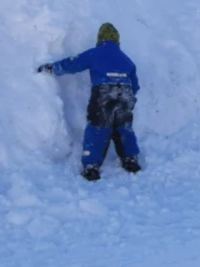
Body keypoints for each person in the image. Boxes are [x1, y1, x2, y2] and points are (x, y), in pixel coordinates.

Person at [38, 23, 141, 181]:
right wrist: (125, 97)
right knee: (124, 127)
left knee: (98, 127)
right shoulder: (127, 59)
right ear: (117, 40)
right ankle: (130, 159)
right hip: (125, 93)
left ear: (100, 38)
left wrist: (53, 68)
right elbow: (135, 85)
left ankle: (91, 166)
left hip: (104, 92)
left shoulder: (96, 53)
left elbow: (73, 64)